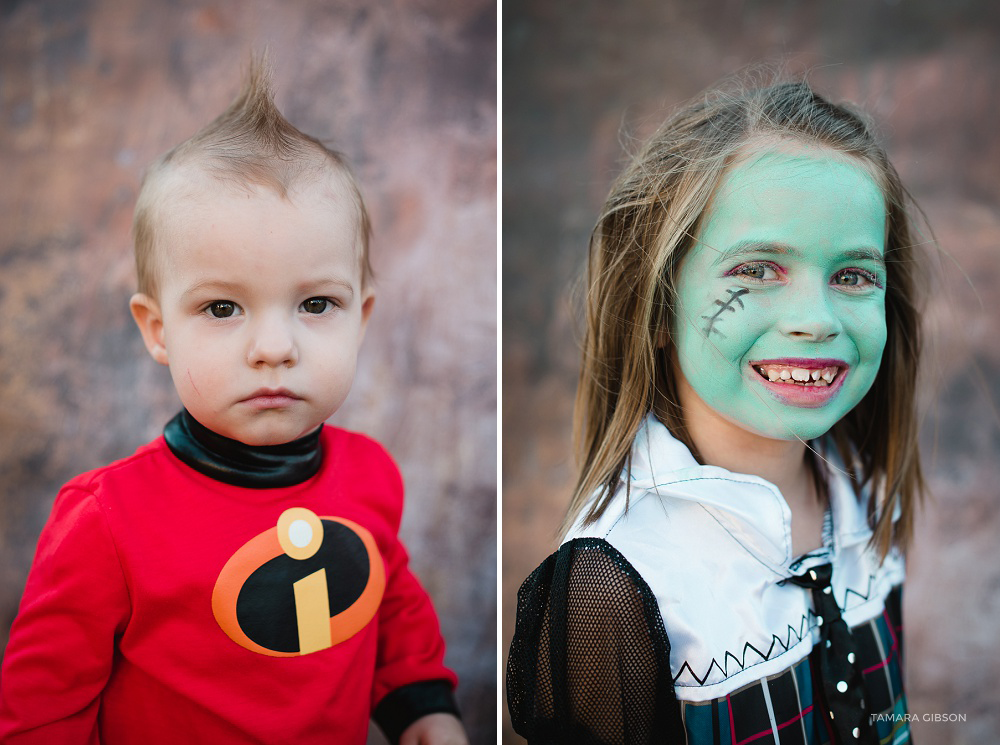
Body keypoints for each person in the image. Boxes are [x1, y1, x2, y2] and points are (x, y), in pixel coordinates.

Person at [0, 56, 468, 745]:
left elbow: (388, 597)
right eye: (223, 307)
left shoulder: (369, 474)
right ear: (159, 331)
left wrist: (421, 703)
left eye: (316, 303)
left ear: (361, 317)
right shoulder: (108, 520)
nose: (274, 346)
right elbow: (42, 707)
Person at [507, 79, 924, 745]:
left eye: (852, 275)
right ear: (660, 301)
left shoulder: (867, 494)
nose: (815, 321)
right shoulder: (616, 579)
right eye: (756, 270)